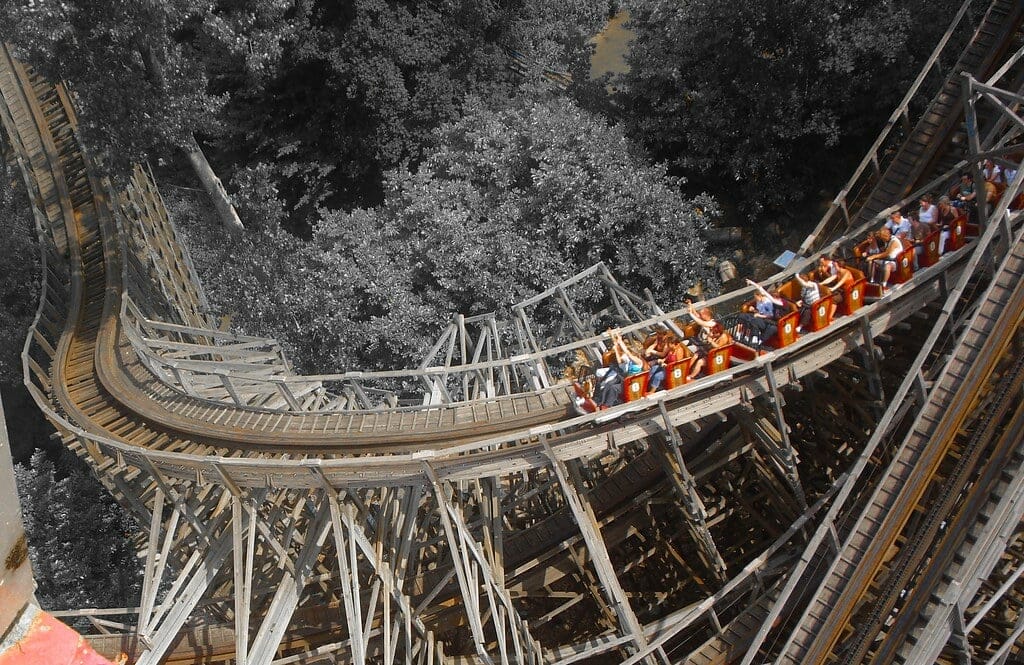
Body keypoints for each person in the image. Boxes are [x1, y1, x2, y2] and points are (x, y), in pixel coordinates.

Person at [685, 301, 732, 380]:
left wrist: (711, 341)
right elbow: (697, 316)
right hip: (710, 350)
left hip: (717, 355)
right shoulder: (713, 329)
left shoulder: (713, 324)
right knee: (695, 355)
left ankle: (691, 376)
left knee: (700, 361)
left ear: (706, 314)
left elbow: (719, 348)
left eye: (701, 314)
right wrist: (690, 305)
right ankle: (686, 372)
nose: (700, 315)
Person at [737, 278, 783, 348]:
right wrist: (754, 310)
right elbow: (760, 311)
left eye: (756, 298)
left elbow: (769, 315)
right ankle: (739, 334)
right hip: (760, 317)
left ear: (760, 296)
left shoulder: (768, 303)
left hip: (766, 320)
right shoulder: (759, 302)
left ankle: (755, 339)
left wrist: (758, 315)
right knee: (742, 316)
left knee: (754, 320)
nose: (756, 299)